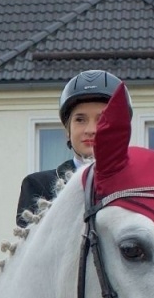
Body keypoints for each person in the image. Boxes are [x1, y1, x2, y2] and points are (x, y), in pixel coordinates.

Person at [16, 68, 122, 224]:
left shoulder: (138, 185)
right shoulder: (38, 187)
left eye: (102, 120)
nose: (91, 130)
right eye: (80, 120)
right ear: (68, 130)